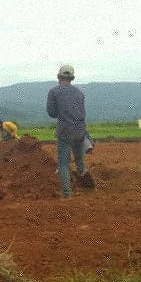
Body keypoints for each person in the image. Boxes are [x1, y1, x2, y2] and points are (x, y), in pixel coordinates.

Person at [45, 65, 90, 198]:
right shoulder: (80, 93)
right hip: (80, 131)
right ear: (72, 78)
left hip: (65, 131)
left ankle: (66, 195)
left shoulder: (54, 92)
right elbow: (82, 112)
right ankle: (86, 180)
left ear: (59, 77)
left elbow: (51, 113)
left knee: (63, 164)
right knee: (79, 161)